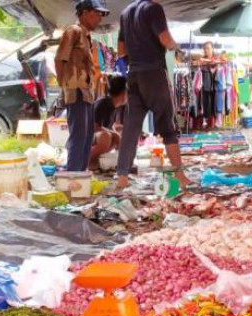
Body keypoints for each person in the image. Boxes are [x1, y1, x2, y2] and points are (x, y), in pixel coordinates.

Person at [115, 0, 189, 189]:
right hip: (154, 73)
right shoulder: (154, 8)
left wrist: (131, 63)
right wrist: (178, 49)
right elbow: (164, 38)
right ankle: (179, 175)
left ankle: (122, 177)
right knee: (168, 127)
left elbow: (121, 49)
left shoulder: (125, 13)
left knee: (131, 127)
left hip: (134, 74)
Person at [55, 0, 109, 172]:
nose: (99, 18)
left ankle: (81, 175)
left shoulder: (87, 36)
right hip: (76, 90)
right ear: (85, 13)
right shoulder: (74, 31)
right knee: (78, 136)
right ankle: (73, 176)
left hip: (86, 92)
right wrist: (64, 85)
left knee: (86, 137)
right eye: (97, 14)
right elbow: (59, 59)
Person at [91, 75, 128, 163]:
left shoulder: (113, 106)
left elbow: (110, 126)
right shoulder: (103, 103)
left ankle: (119, 162)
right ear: (123, 93)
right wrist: (115, 134)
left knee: (117, 136)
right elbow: (94, 126)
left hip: (96, 136)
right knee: (106, 136)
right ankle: (88, 162)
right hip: (87, 136)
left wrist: (119, 132)